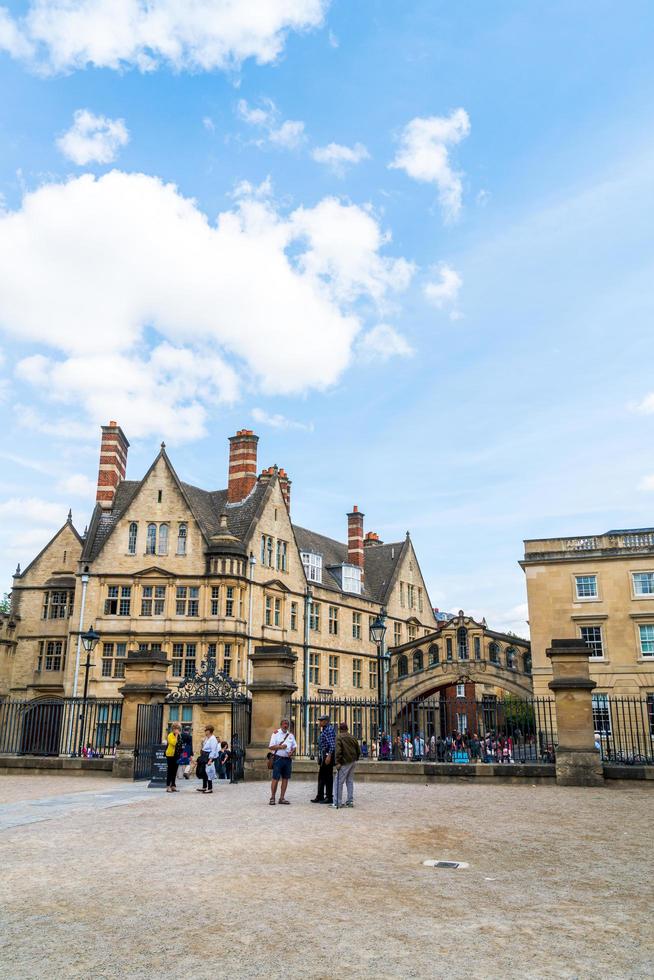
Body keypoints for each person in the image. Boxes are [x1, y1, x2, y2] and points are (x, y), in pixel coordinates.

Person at [268, 718, 297, 805]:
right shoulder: (276, 733)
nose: (285, 726)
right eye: (284, 724)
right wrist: (280, 747)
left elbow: (294, 746)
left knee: (285, 779)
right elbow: (271, 747)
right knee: (275, 778)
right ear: (281, 725)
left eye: (287, 724)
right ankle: (272, 797)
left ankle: (282, 798)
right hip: (278, 759)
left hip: (287, 760)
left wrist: (292, 752)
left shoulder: (291, 735)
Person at [333, 722, 361, 809]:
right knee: (349, 781)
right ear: (347, 729)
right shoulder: (352, 737)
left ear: (340, 729)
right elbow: (358, 749)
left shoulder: (339, 737)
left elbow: (338, 751)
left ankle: (337, 802)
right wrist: (356, 758)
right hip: (352, 761)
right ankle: (350, 801)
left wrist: (337, 762)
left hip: (344, 762)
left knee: (338, 782)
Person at [311, 714, 335, 804]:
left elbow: (332, 745)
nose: (319, 722)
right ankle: (320, 795)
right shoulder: (325, 729)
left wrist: (328, 756)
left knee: (328, 777)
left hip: (327, 755)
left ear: (326, 721)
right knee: (321, 776)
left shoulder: (329, 730)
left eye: (321, 720)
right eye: (319, 720)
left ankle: (329, 797)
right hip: (323, 754)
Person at [196, 725, 219, 794]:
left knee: (208, 772)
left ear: (209, 731)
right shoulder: (207, 738)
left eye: (205, 730)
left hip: (208, 756)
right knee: (204, 771)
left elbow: (213, 750)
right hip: (204, 755)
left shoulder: (213, 739)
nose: (205, 731)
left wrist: (210, 759)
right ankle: (204, 787)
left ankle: (210, 788)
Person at [165, 722, 182, 793]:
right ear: (173, 729)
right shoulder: (170, 735)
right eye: (175, 728)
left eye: (178, 728)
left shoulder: (179, 736)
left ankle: (173, 785)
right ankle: (168, 786)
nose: (177, 730)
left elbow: (180, 745)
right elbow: (173, 743)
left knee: (175, 771)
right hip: (170, 755)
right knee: (170, 771)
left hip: (177, 755)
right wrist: (176, 735)